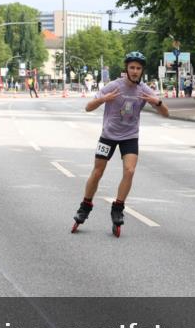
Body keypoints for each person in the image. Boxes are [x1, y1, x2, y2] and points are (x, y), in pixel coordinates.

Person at [72, 51, 169, 235]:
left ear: (142, 71)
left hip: (130, 136)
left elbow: (166, 113)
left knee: (130, 170)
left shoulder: (144, 90)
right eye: (132, 67)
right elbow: (88, 107)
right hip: (108, 135)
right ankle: (85, 205)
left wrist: (158, 102)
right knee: (98, 171)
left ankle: (118, 208)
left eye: (138, 68)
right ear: (126, 69)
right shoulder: (113, 86)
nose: (135, 71)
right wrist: (103, 99)